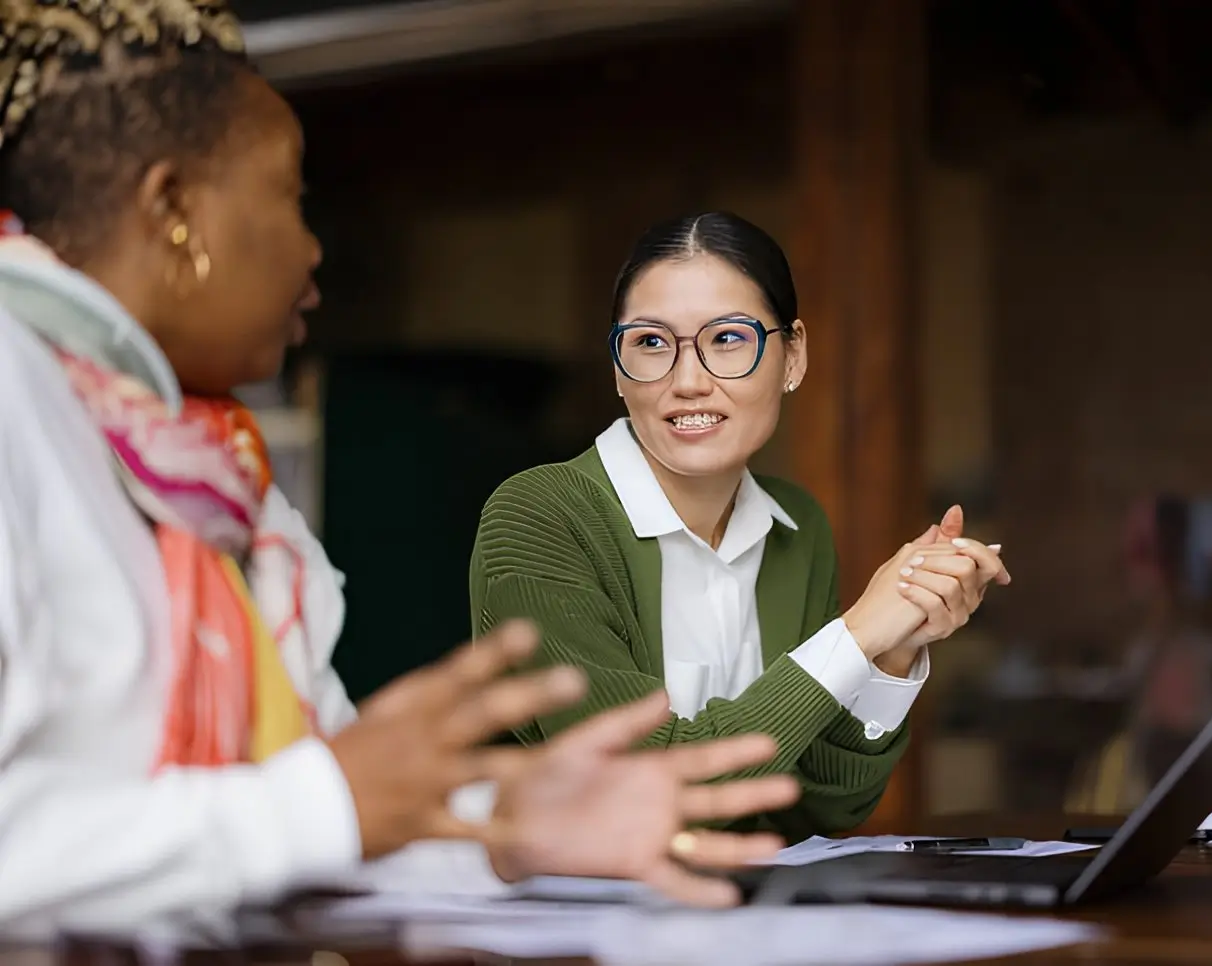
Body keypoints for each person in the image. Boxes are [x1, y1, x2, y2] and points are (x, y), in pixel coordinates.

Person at [0, 2, 798, 939]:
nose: (311, 250)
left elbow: (306, 822)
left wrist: (497, 833)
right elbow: (307, 809)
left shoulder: (218, 485)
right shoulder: (15, 393)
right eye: (292, 195)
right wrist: (330, 801)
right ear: (175, 210)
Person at [470, 212, 1011, 840]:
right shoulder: (540, 515)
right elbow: (641, 792)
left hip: (738, 917)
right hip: (568, 927)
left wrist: (894, 646)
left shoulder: (796, 527)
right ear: (618, 368)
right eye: (650, 343)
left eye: (728, 338)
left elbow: (819, 807)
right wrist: (859, 632)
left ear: (793, 356)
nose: (689, 382)